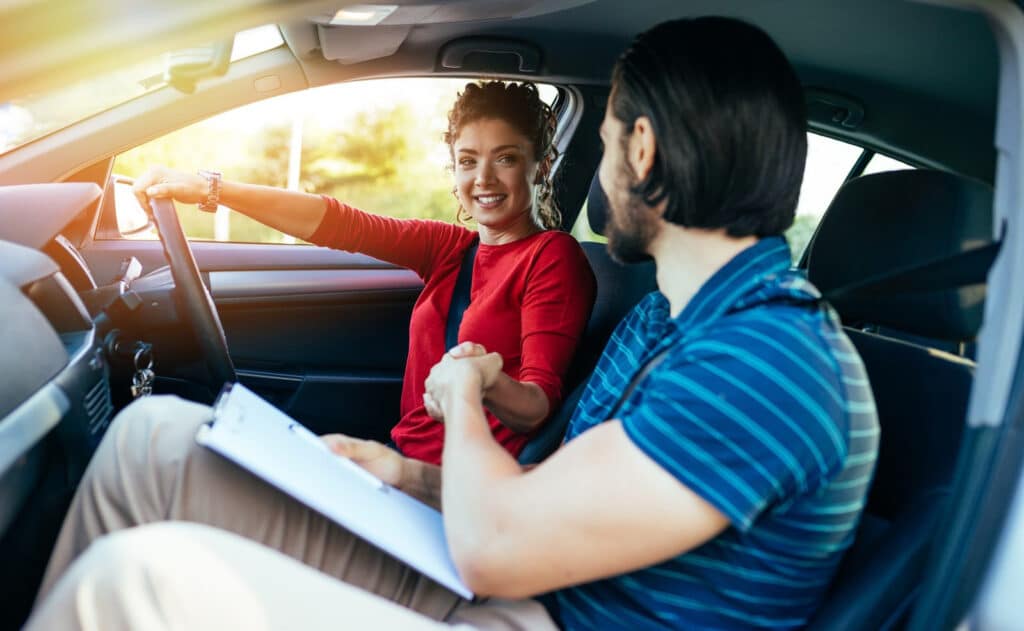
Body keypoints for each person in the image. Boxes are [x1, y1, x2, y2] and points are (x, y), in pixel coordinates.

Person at [28, 16, 879, 631]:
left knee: (131, 583)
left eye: (612, 135)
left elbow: (503, 543)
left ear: (644, 150)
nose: (606, 171)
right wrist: (404, 476)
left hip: (527, 605)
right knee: (152, 439)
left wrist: (466, 394)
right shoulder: (673, 315)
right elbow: (551, 493)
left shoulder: (766, 362)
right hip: (509, 570)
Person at [132, 80, 597, 466]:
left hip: (453, 492)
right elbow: (340, 222)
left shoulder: (551, 257)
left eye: (506, 158)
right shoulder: (452, 249)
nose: (484, 179)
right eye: (468, 161)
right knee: (182, 444)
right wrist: (209, 189)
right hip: (399, 462)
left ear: (542, 165)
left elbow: (537, 407)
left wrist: (482, 380)